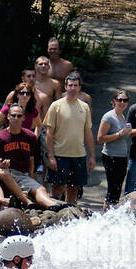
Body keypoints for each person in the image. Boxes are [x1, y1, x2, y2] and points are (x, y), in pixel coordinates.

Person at [0, 104, 66, 210]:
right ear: (8, 117)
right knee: (3, 172)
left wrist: (32, 175)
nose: (16, 118)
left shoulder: (30, 136)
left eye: (19, 116)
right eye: (13, 115)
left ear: (24, 117)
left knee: (41, 189)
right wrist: (1, 164)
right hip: (5, 173)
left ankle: (53, 206)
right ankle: (27, 201)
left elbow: (32, 158)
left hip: (22, 175)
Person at [43, 71, 95, 206]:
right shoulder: (56, 106)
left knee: (74, 189)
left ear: (79, 87)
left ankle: (71, 215)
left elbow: (88, 132)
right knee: (57, 188)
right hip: (60, 154)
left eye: (75, 85)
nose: (73, 88)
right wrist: (51, 156)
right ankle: (52, 213)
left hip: (79, 155)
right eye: (70, 85)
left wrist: (92, 156)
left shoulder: (84, 107)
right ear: (65, 87)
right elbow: (49, 132)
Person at [97, 90, 132, 208]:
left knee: (117, 189)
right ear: (114, 101)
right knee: (112, 189)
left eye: (125, 100)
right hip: (110, 156)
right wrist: (120, 134)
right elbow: (100, 138)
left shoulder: (122, 116)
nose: (122, 102)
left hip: (122, 156)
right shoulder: (109, 116)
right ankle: (106, 215)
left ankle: (112, 215)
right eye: (119, 100)